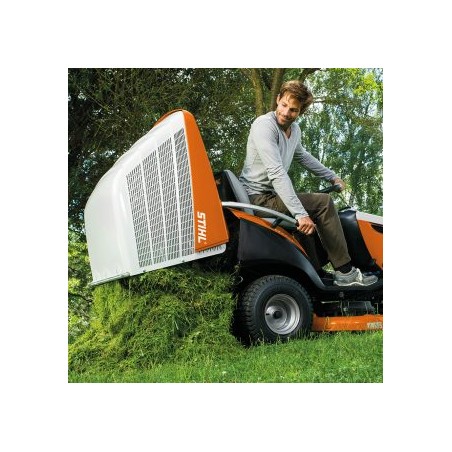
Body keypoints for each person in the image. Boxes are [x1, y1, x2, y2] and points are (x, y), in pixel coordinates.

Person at [239, 80, 377, 287]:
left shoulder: (294, 130)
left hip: (271, 197)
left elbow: (303, 156)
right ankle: (346, 273)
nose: (286, 113)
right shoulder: (264, 126)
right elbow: (276, 172)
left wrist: (332, 176)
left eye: (293, 110)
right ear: (278, 99)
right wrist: (300, 213)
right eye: (284, 105)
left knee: (311, 209)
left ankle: (316, 272)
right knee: (323, 203)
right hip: (256, 198)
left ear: (300, 112)